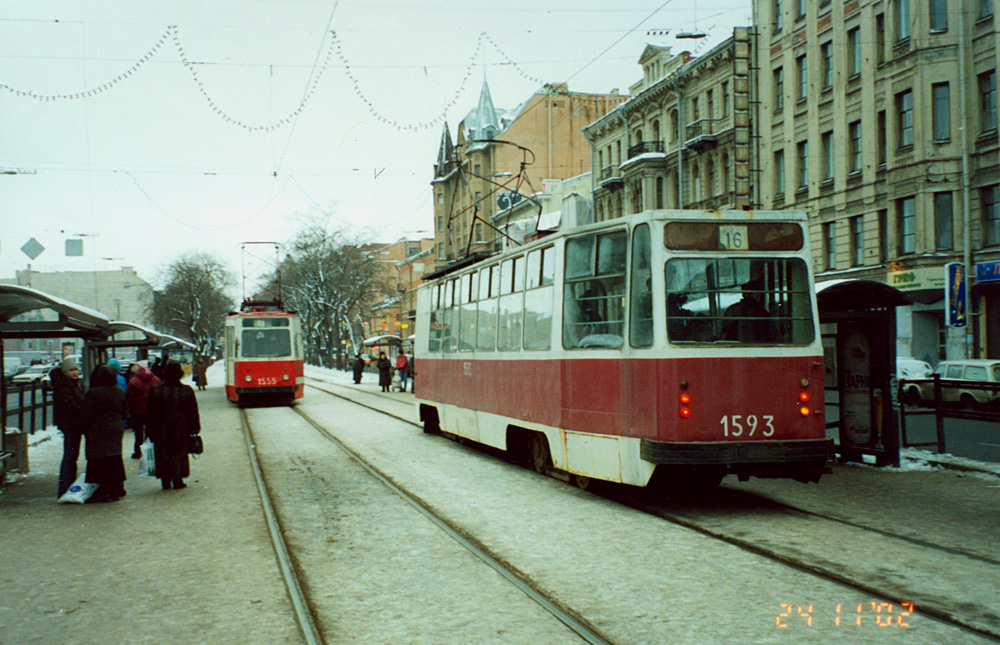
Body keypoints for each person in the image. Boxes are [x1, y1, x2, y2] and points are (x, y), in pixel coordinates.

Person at [146, 361, 201, 491]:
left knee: (162, 452)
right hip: (181, 428)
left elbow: (150, 413)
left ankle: (165, 480)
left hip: (161, 428)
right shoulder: (186, 391)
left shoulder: (155, 390)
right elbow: (192, 412)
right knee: (179, 452)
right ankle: (178, 479)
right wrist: (195, 428)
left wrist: (149, 431)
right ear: (180, 375)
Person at [81, 365, 127, 503]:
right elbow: (124, 411)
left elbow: (87, 414)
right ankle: (115, 488)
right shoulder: (119, 391)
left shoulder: (92, 393)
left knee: (99, 459)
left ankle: (102, 490)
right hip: (115, 427)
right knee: (114, 457)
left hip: (97, 429)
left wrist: (84, 429)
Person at [50, 356, 86, 498]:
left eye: (76, 369)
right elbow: (72, 406)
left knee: (71, 455)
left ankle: (68, 485)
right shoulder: (64, 386)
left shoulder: (71, 384)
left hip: (72, 424)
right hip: (70, 424)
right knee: (70, 456)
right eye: (71, 370)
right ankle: (65, 487)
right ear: (65, 372)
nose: (74, 372)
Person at [126, 361, 161, 459]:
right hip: (152, 410)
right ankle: (151, 451)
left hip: (137, 411)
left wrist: (130, 410)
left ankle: (138, 451)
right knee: (151, 430)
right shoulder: (156, 380)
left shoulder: (133, 381)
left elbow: (130, 398)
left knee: (138, 432)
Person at [724, 278, 770, 342]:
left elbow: (725, 333)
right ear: (757, 294)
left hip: (736, 345)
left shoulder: (731, 309)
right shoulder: (761, 312)